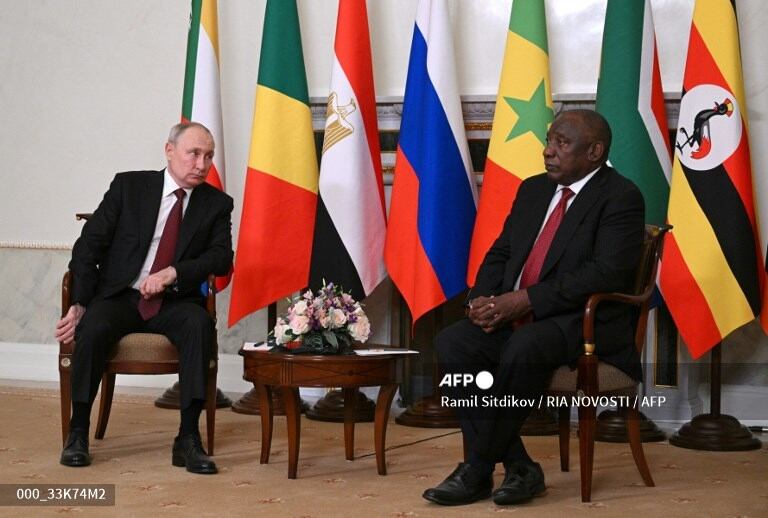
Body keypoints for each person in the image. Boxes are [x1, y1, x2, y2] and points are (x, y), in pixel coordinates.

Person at [423, 110, 645, 506]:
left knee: (522, 347)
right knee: (454, 342)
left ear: (594, 151)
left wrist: (523, 300)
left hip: (582, 322)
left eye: (562, 143)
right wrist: (483, 301)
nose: (548, 151)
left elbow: (604, 274)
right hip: (520, 314)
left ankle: (475, 467)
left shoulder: (621, 196)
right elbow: (502, 252)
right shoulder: (533, 190)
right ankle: (520, 465)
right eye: (549, 140)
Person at [54, 122, 233, 475]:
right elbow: (89, 246)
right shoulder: (129, 186)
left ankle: (187, 438)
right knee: (93, 326)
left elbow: (221, 257)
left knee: (199, 325)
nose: (201, 163)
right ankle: (77, 432)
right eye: (193, 153)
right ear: (169, 151)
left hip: (175, 301)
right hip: (122, 295)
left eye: (208, 156)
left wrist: (173, 273)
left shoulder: (216, 204)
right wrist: (80, 302)